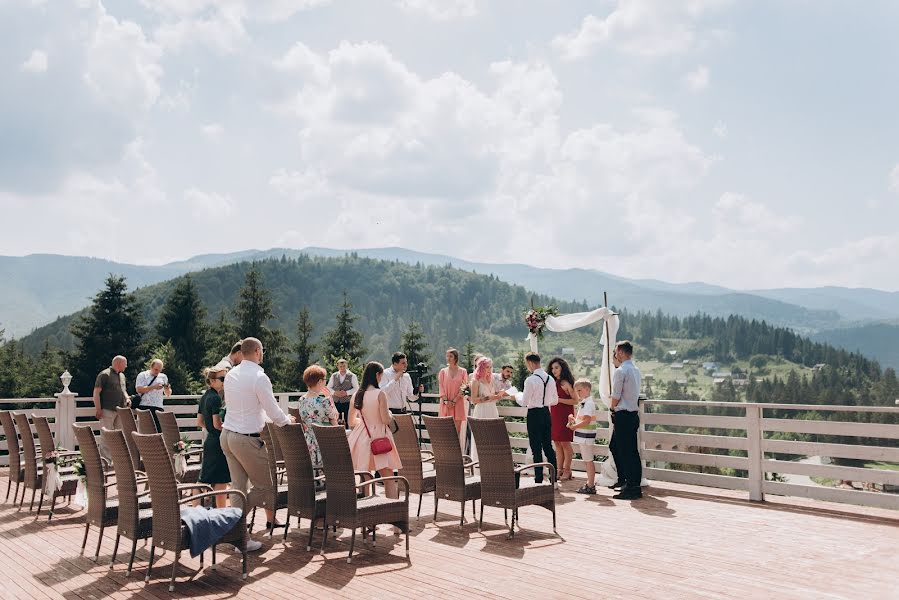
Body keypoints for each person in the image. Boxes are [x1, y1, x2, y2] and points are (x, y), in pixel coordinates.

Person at [220, 337, 294, 551]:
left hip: (227, 436)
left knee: (238, 488)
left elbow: (249, 406)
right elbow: (272, 409)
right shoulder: (259, 377)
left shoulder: (231, 374)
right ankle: (233, 524)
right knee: (265, 488)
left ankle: (239, 539)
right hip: (246, 439)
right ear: (258, 352)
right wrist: (286, 420)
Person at [347, 361, 403, 500]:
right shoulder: (380, 394)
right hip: (379, 437)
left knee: (365, 475)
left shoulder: (357, 395)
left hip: (361, 437)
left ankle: (364, 507)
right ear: (377, 375)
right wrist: (389, 414)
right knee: (388, 476)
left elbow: (351, 422)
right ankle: (393, 509)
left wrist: (363, 421)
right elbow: (385, 420)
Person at [609, 341, 643, 500]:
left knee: (625, 451)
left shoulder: (621, 371)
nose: (615, 355)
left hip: (623, 414)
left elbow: (616, 396)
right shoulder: (636, 370)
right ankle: (632, 483)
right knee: (631, 451)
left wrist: (611, 408)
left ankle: (631, 487)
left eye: (616, 352)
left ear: (621, 352)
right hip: (633, 414)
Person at [521, 352, 559, 485]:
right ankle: (554, 478)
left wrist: (516, 397)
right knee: (548, 446)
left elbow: (524, 402)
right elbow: (555, 400)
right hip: (546, 413)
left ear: (530, 363)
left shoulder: (530, 380)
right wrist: (545, 400)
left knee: (536, 447)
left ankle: (538, 479)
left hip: (534, 414)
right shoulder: (551, 379)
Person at [197, 365, 230, 507]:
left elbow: (199, 422)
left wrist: (210, 427)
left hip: (209, 440)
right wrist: (229, 430)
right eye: (222, 378)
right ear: (212, 381)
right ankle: (221, 513)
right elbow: (218, 424)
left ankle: (195, 509)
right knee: (221, 480)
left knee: (203, 479)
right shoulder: (215, 398)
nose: (224, 381)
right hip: (217, 442)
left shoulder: (204, 396)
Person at [299, 365, 339, 468]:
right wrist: (330, 398)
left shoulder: (302, 400)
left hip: (308, 441)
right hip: (324, 442)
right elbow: (335, 419)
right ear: (320, 381)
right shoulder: (323, 401)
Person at [93, 355, 130, 463]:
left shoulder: (122, 376)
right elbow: (96, 393)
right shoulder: (105, 374)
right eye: (125, 363)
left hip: (120, 410)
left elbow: (124, 390)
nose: (126, 366)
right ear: (119, 363)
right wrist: (98, 409)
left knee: (120, 436)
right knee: (106, 436)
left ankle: (118, 461)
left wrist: (127, 398)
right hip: (107, 409)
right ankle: (106, 462)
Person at [548, 357, 578, 481]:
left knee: (565, 443)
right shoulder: (552, 382)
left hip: (565, 415)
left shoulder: (566, 383)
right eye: (552, 368)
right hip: (554, 415)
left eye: (556, 368)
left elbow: (575, 400)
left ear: (562, 368)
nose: (554, 370)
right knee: (557, 443)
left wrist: (559, 400)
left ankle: (567, 470)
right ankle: (559, 469)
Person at [469, 356, 504, 460]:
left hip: (492, 409)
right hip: (481, 410)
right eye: (487, 367)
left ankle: (492, 459)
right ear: (481, 367)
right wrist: (488, 398)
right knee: (481, 435)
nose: (489, 369)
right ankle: (479, 460)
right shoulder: (476, 381)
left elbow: (494, 395)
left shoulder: (492, 379)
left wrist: (498, 396)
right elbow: (474, 400)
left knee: (493, 435)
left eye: (490, 367)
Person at [568, 379, 598, 494]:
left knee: (588, 460)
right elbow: (583, 419)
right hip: (584, 436)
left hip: (586, 436)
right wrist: (573, 420)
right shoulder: (585, 403)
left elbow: (586, 421)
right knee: (587, 460)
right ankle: (590, 484)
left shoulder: (588, 403)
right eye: (577, 391)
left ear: (587, 390)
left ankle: (590, 485)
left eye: (579, 390)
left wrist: (574, 427)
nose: (578, 393)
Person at [437, 348, 468, 435]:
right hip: (445, 403)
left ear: (455, 357)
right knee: (445, 431)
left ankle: (456, 449)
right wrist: (447, 401)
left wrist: (454, 400)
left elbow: (464, 388)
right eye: (447, 356)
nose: (448, 358)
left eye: (450, 356)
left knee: (456, 431)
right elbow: (441, 387)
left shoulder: (463, 371)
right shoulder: (443, 371)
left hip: (458, 403)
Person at [135, 358, 171, 431]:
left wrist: (167, 389)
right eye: (156, 369)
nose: (157, 372)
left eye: (160, 370)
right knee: (145, 430)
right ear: (151, 367)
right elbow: (139, 389)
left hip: (158, 406)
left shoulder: (163, 377)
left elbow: (168, 394)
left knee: (158, 431)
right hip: (144, 406)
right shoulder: (143, 375)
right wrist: (153, 387)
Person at [326, 359, 358, 427]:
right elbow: (328, 387)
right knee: (335, 419)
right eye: (341, 366)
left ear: (347, 365)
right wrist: (334, 393)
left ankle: (348, 434)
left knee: (348, 419)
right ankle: (336, 434)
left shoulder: (352, 376)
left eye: (344, 366)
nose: (342, 367)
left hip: (347, 401)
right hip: (336, 402)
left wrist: (347, 393)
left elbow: (356, 388)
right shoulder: (334, 376)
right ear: (338, 366)